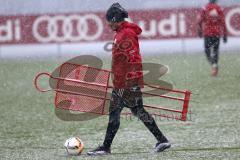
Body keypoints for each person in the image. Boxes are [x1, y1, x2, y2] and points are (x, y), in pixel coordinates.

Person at [87, 3, 170, 156]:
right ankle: (162, 139)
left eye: (108, 20)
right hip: (125, 82)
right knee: (138, 111)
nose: (107, 23)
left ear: (114, 19)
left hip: (125, 84)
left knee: (115, 113)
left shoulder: (125, 34)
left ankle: (106, 147)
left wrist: (129, 82)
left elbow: (133, 58)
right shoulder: (122, 32)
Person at [198, 0, 228, 76]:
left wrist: (200, 31)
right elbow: (223, 22)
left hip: (208, 34)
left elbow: (200, 21)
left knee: (207, 51)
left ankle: (213, 65)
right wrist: (225, 34)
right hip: (217, 34)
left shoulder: (205, 8)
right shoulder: (219, 9)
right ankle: (215, 65)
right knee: (215, 51)